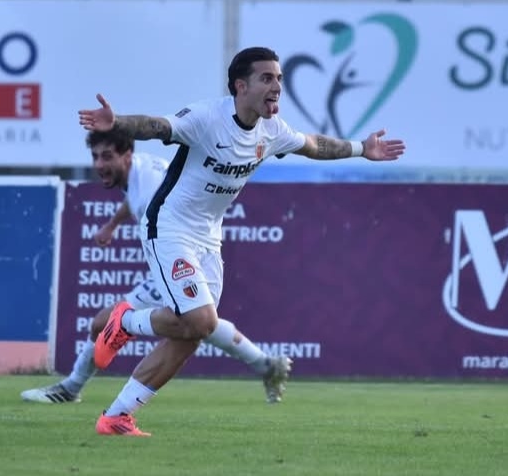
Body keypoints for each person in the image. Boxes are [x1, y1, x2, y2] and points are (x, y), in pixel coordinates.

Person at [78, 46, 406, 437]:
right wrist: (118, 124)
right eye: (267, 78)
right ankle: (125, 321)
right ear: (240, 86)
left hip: (209, 237)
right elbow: (158, 126)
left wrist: (361, 149)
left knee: (193, 333)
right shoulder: (206, 118)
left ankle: (117, 416)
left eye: (279, 78)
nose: (277, 86)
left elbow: (313, 145)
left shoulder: (272, 129)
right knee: (201, 320)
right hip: (169, 227)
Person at [20, 128, 292, 408]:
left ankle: (74, 386)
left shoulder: (149, 183)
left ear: (127, 155)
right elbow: (133, 201)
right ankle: (267, 365)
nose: (99, 164)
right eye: (96, 157)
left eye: (107, 156)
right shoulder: (137, 174)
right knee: (201, 323)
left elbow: (161, 215)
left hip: (184, 259)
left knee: (110, 323)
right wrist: (112, 224)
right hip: (188, 256)